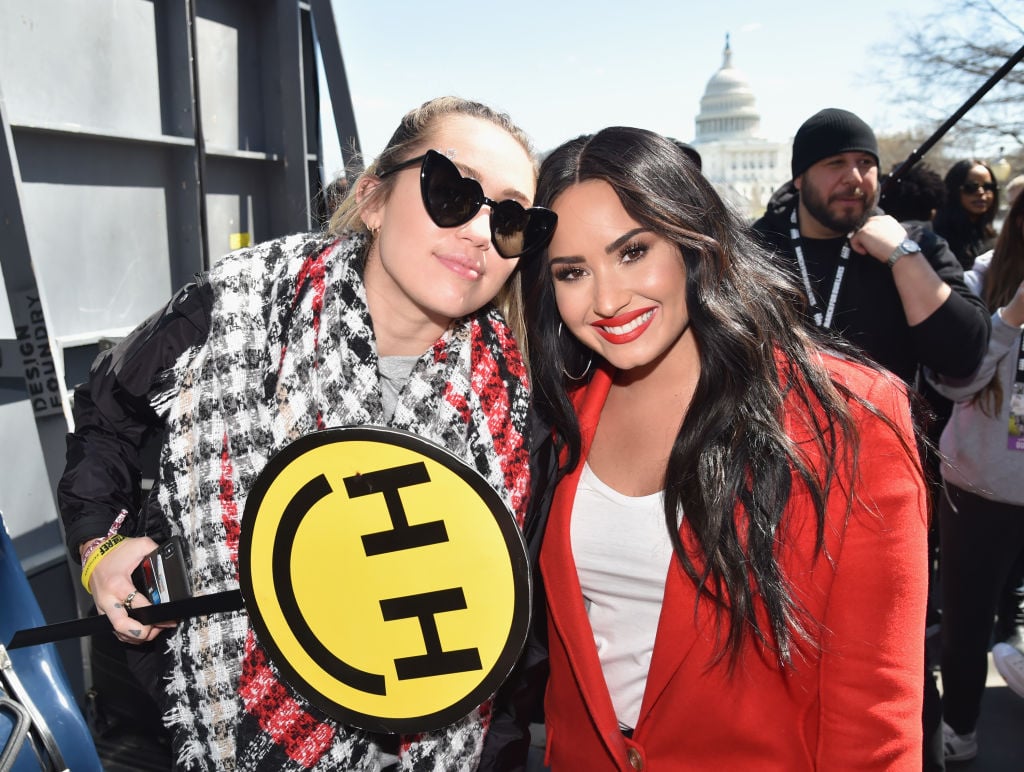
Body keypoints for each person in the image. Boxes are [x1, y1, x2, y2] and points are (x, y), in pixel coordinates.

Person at [57, 96, 555, 771]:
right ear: (373, 198)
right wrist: (100, 546)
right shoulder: (234, 307)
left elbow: (511, 643)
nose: (477, 231)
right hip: (198, 725)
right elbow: (106, 408)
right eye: (451, 191)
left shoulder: (518, 403)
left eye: (510, 218)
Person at [514, 126, 928, 769]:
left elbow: (874, 717)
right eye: (572, 271)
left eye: (632, 252)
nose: (607, 299)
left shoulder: (848, 417)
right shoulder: (558, 413)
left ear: (691, 238)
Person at [752, 107, 990, 772]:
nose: (854, 177)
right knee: (785, 661)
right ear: (800, 177)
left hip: (886, 496)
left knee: (895, 667)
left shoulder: (910, 244)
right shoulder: (757, 249)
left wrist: (901, 254)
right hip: (779, 490)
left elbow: (964, 355)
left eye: (865, 164)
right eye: (836, 165)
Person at [926, 189, 1024, 762]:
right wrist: (1011, 318)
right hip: (979, 487)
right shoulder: (982, 279)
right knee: (966, 624)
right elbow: (954, 382)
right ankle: (960, 730)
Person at [933, 159, 1000, 271]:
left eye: (988, 187)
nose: (981, 192)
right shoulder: (936, 240)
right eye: (971, 187)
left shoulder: (995, 239)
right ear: (953, 190)